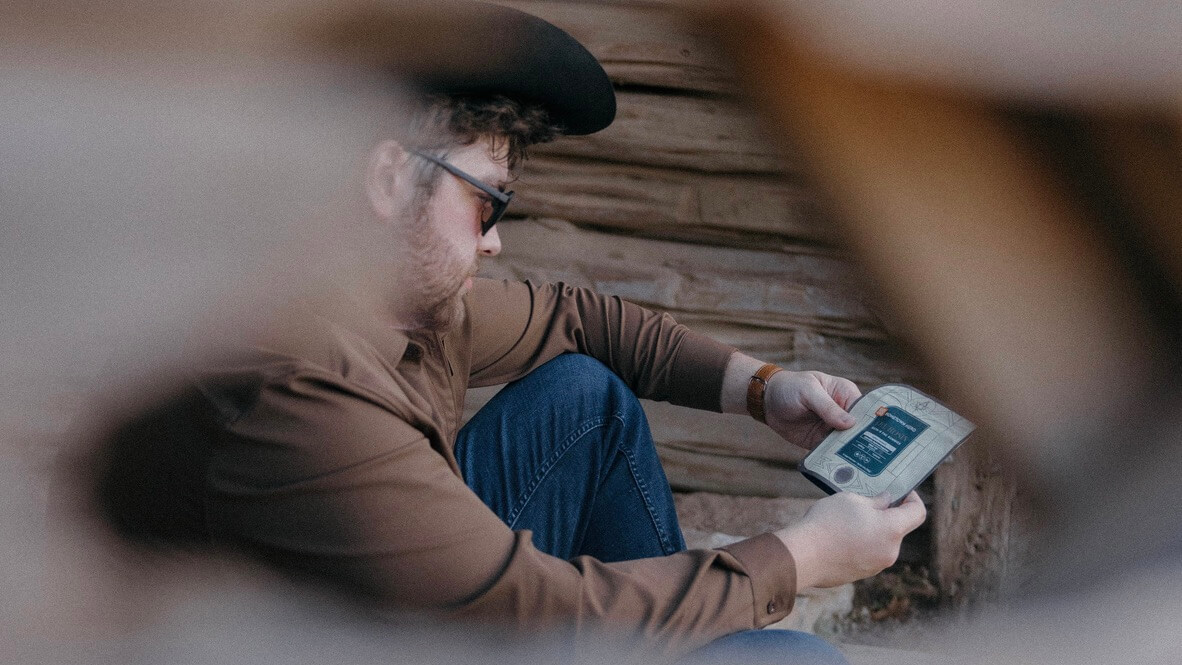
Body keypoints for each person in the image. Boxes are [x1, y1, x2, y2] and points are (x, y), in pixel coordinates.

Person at [92, 3, 926, 663]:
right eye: (486, 201)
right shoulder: (294, 386)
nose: (495, 241)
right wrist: (802, 556)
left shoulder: (380, 299)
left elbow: (581, 320)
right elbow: (537, 611)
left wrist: (764, 389)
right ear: (388, 178)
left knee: (584, 395)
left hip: (400, 607)